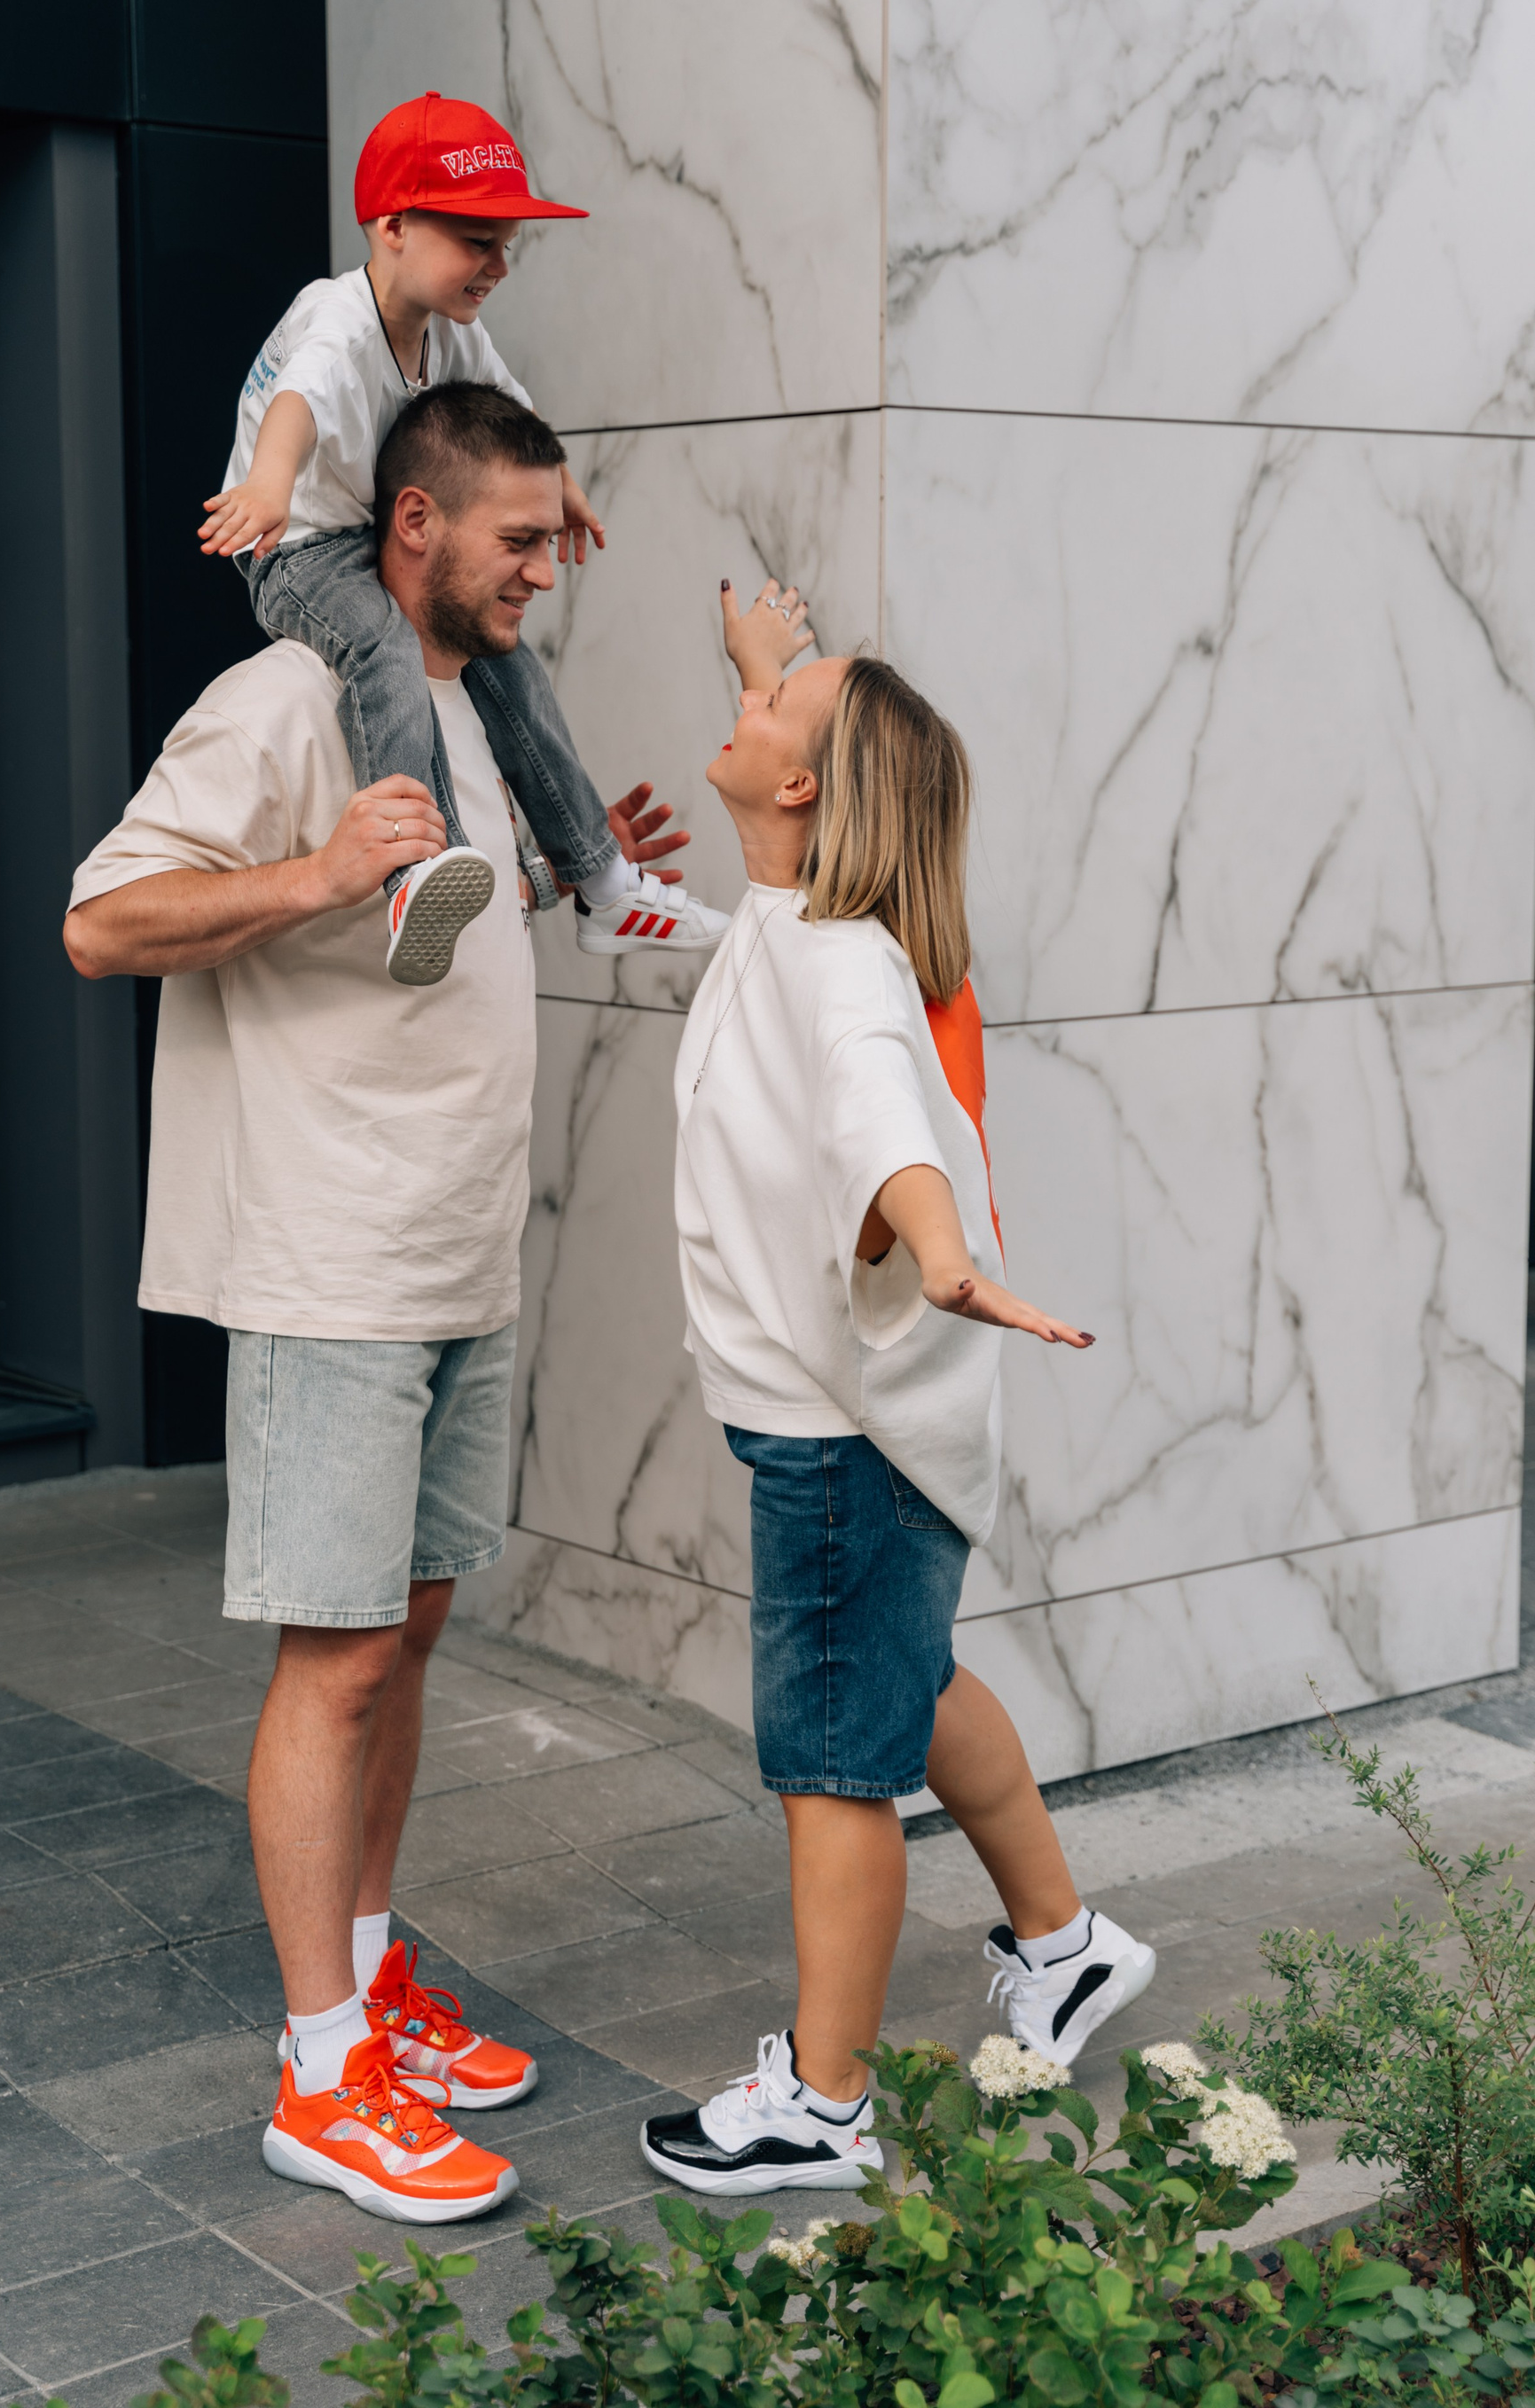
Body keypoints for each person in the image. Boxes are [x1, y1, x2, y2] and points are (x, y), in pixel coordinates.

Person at [65, 387, 698, 2224]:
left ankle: (365, 1970)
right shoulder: (284, 700)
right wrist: (321, 871)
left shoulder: (472, 710)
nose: (546, 569)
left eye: (556, 536)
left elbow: (441, 927)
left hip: (452, 1253)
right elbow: (102, 921)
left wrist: (567, 863)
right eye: (521, 538)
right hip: (328, 1258)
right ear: (413, 525)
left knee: (406, 1638)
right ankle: (320, 2071)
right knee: (334, 1658)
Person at [641, 630, 1155, 2197]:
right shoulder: (788, 916)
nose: (745, 705)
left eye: (769, 704)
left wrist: (941, 1251)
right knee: (904, 1680)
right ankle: (1064, 1947)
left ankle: (826, 2102)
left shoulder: (840, 963)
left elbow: (882, 1118)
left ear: (802, 785)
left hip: (843, 1442)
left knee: (833, 1765)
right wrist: (771, 658)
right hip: (845, 1423)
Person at [200, 89, 726, 984]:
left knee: (503, 655)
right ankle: (415, 873)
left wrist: (564, 490)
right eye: (479, 242)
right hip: (295, 549)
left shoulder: (450, 336)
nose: (499, 266)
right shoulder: (338, 319)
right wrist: (267, 484)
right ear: (393, 226)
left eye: (507, 246)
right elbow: (298, 403)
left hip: (369, 533)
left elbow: (515, 415)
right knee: (384, 642)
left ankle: (602, 880)